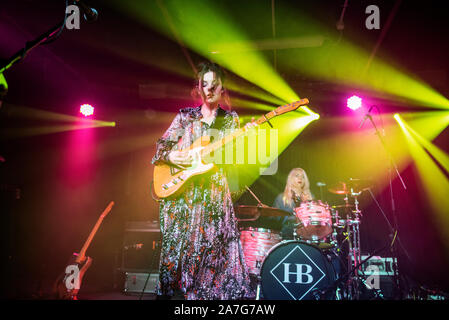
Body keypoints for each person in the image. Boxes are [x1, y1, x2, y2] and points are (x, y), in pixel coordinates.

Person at [151, 62, 254, 300]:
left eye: (214, 84)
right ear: (198, 88)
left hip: (213, 191)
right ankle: (178, 295)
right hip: (184, 191)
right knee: (179, 250)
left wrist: (240, 143)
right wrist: (172, 155)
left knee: (213, 250)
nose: (209, 89)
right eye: (204, 84)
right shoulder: (186, 117)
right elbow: (161, 147)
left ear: (222, 89)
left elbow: (232, 159)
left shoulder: (230, 120)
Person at [272, 168, 313, 239]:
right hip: (288, 232)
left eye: (303, 177)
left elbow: (314, 217)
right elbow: (274, 217)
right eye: (297, 176)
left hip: (307, 230)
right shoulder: (281, 197)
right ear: (290, 179)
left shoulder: (310, 196)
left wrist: (306, 203)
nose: (300, 178)